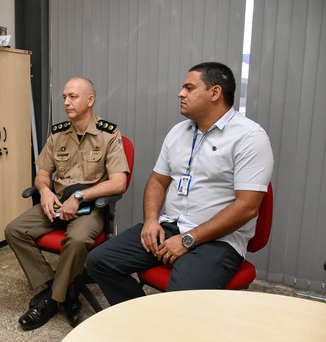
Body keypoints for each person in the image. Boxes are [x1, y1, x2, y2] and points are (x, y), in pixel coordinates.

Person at [86, 62, 274, 305]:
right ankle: (141, 322)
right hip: (170, 227)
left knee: (179, 301)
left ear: (215, 93)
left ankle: (169, 333)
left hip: (218, 241)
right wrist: (152, 220)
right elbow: (157, 180)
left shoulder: (249, 137)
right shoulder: (178, 132)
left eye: (189, 88)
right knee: (99, 261)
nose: (180, 93)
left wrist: (189, 240)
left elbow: (248, 207)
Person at [5, 77, 129, 330]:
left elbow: (118, 183)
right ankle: (61, 285)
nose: (66, 102)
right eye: (64, 97)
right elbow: (42, 173)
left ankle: (52, 300)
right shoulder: (57, 134)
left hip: (89, 207)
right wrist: (45, 192)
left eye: (73, 96)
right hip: (58, 203)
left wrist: (81, 196)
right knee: (14, 230)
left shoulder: (108, 135)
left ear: (90, 100)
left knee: (78, 239)